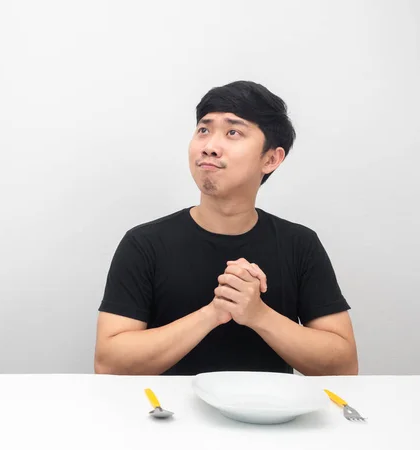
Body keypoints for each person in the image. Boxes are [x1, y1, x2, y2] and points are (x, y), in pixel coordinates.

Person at [93, 80, 358, 376]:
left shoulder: (299, 244)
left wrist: (257, 314)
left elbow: (343, 366)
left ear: (271, 159)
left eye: (233, 132)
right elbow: (109, 363)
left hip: (270, 417)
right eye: (203, 130)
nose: (209, 147)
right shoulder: (144, 244)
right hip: (169, 418)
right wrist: (213, 313)